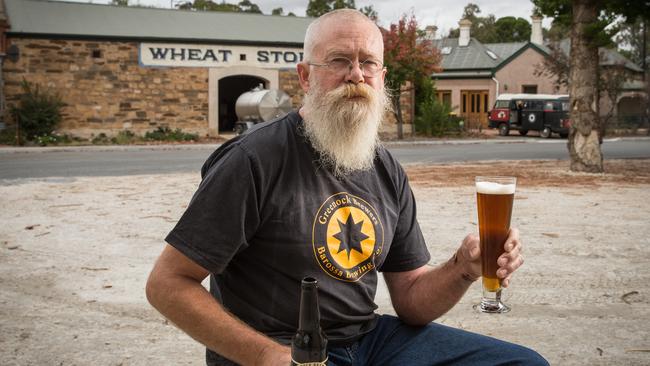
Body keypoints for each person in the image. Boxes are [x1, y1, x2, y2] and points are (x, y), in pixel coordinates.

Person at [146, 9, 549, 366]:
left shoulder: (385, 167)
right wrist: (264, 355)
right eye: (339, 60)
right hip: (282, 349)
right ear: (305, 75)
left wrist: (463, 267)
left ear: (382, 77)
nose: (356, 74)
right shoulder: (253, 159)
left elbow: (410, 299)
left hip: (370, 342)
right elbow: (167, 284)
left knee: (523, 363)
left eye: (368, 63)